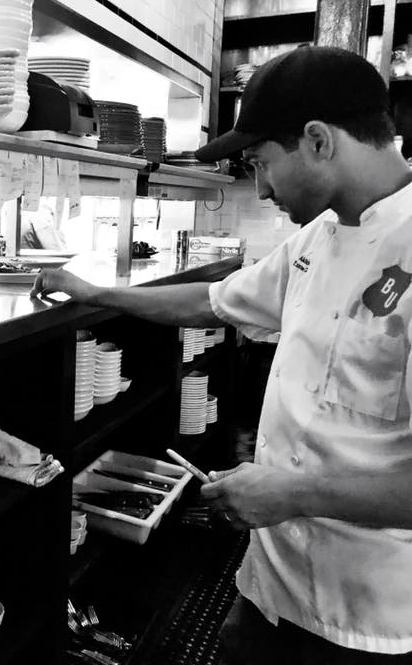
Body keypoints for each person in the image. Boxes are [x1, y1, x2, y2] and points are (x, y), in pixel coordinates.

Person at [32, 46, 412, 663]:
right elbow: (212, 301)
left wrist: (295, 493)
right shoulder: (316, 237)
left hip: (366, 622)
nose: (260, 188)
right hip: (266, 586)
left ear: (318, 141)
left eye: (262, 164)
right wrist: (96, 292)